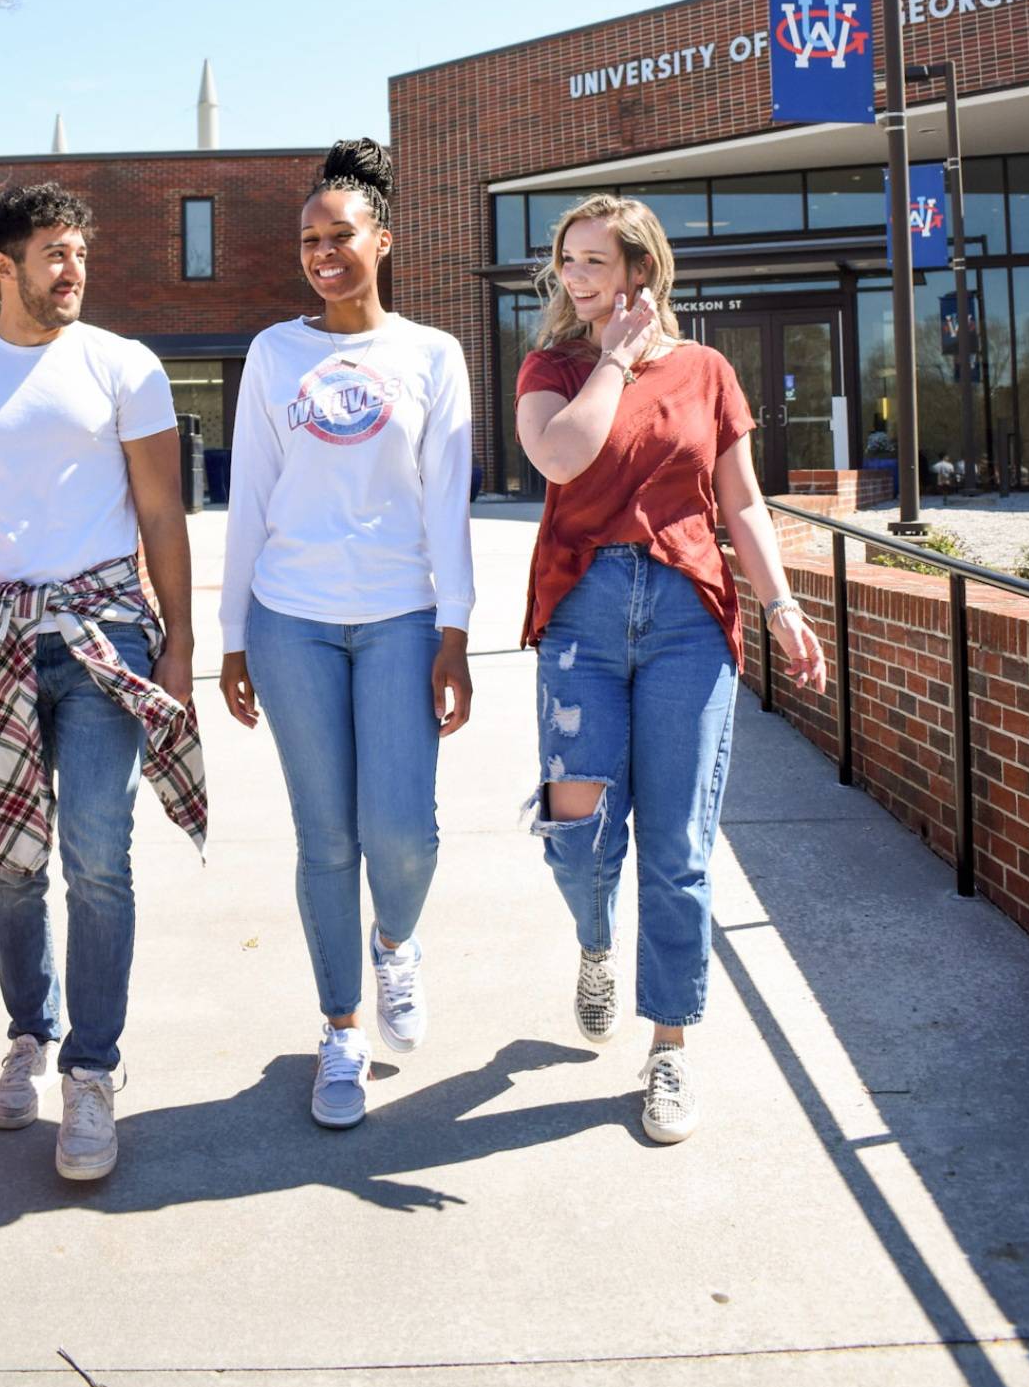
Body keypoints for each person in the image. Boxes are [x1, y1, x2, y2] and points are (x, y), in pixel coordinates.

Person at [0, 181, 205, 1184]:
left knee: (98, 854)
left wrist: (182, 644)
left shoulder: (126, 366)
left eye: (80, 252)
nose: (72, 270)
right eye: (54, 253)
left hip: (105, 629)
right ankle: (29, 1032)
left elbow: (161, 515)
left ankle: (93, 1071)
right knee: (12, 864)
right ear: (4, 267)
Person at [515, 192, 825, 1145]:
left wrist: (780, 603)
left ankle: (670, 1050)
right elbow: (562, 457)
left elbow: (741, 503)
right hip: (584, 617)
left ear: (640, 272)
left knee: (681, 847)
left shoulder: (705, 370)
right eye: (567, 260)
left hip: (689, 613)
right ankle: (596, 943)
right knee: (579, 830)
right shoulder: (555, 367)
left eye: (595, 261)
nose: (574, 276)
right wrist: (612, 354)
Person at [219, 139, 475, 1129]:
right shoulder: (275, 354)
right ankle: (340, 1031)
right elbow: (249, 497)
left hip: (403, 618)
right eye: (309, 240)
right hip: (293, 621)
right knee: (325, 838)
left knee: (401, 835)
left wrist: (455, 628)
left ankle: (397, 943)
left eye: (342, 236)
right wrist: (234, 636)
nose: (324, 253)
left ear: (384, 240)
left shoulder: (432, 356)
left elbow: (448, 501)